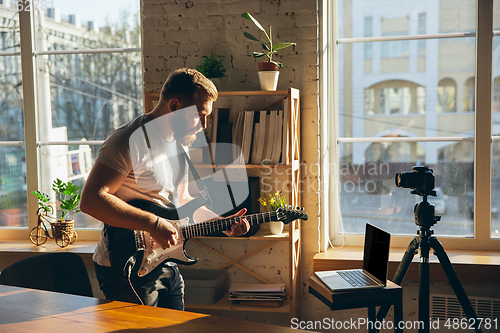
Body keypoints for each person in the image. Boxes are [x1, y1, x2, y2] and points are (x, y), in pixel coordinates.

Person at [80, 68, 250, 310]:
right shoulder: (127, 140)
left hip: (165, 260)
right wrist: (153, 224)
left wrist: (223, 224)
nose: (203, 125)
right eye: (199, 116)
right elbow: (91, 200)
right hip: (125, 263)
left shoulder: (181, 144)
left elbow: (185, 201)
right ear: (174, 106)